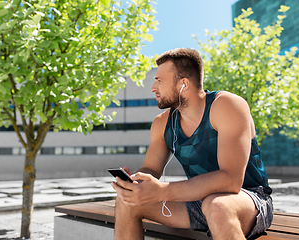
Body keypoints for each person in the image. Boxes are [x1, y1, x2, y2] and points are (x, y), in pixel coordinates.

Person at [111, 48, 273, 240]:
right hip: (198, 202)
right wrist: (136, 182)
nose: (154, 88)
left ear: (183, 84)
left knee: (217, 205)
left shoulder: (227, 106)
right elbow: (151, 168)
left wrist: (164, 190)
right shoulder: (162, 123)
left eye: (159, 81)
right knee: (126, 201)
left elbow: (231, 181)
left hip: (249, 200)